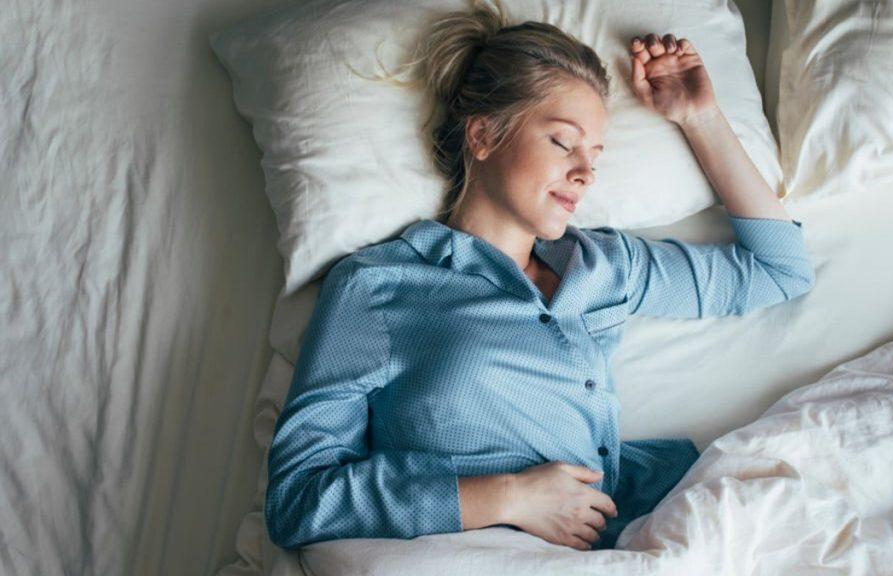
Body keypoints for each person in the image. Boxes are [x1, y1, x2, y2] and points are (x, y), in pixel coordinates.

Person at [264, 0, 815, 553]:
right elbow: (298, 499)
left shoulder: (604, 267)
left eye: (594, 155)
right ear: (483, 136)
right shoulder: (379, 287)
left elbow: (780, 270)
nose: (585, 173)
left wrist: (701, 119)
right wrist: (508, 497)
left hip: (640, 533)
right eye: (562, 142)